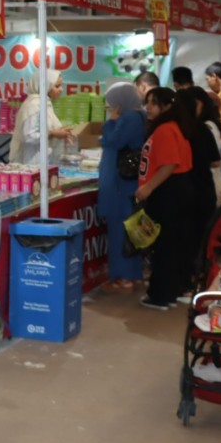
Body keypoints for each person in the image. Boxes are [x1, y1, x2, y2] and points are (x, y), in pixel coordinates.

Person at [134, 87, 198, 309]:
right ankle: (176, 289)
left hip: (169, 190)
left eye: (154, 103)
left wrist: (148, 188)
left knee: (164, 245)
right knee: (176, 243)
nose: (148, 108)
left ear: (167, 106)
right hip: (179, 188)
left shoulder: (165, 130)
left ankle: (161, 294)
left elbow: (169, 164)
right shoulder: (176, 127)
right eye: (147, 102)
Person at [99, 82, 146, 290]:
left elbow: (112, 141)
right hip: (129, 181)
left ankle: (122, 276)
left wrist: (109, 123)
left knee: (120, 228)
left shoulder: (127, 118)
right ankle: (132, 274)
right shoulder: (140, 116)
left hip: (119, 182)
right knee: (131, 228)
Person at [10, 69, 73, 164]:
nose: (61, 89)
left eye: (61, 86)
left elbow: (46, 127)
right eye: (57, 86)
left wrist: (60, 131)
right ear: (45, 86)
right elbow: (29, 136)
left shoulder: (45, 103)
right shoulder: (34, 105)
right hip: (33, 161)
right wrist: (52, 133)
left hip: (45, 160)